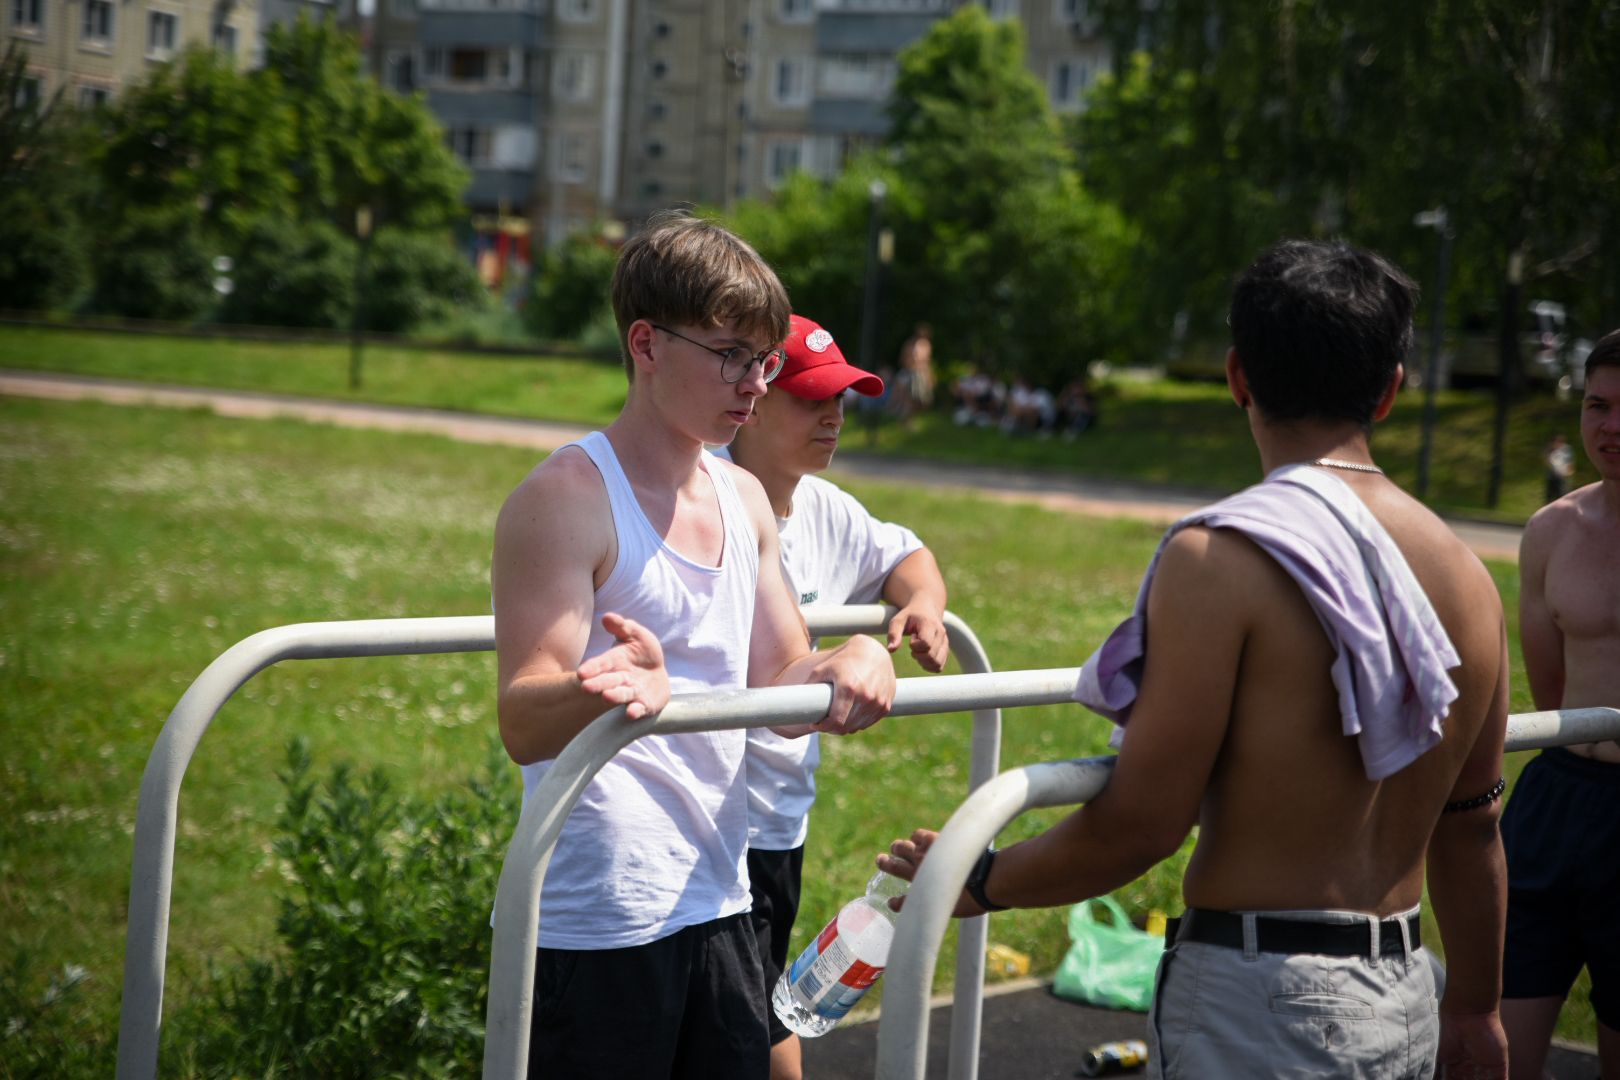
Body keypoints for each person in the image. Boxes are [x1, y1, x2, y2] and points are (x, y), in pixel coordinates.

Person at [878, 240, 1511, 1080]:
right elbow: (1474, 827)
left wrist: (982, 879)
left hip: (1265, 999)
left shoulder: (1220, 561)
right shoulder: (1468, 578)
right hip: (1406, 987)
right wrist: (1475, 1007)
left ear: (1236, 375)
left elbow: (1143, 823)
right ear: (1392, 390)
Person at [490, 211, 897, 1078]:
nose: (754, 383)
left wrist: (849, 659)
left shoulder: (745, 495)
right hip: (597, 917)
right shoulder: (565, 496)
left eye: (765, 359)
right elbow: (525, 720)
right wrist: (605, 690)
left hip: (718, 894)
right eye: (729, 354)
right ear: (645, 343)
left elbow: (783, 681)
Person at [717, 313, 951, 1080]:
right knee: (752, 1035)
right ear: (750, 399)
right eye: (810, 397)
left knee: (757, 1018)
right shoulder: (703, 498)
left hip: (780, 826)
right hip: (712, 826)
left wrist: (922, 603)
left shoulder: (823, 507)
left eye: (844, 397)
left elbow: (908, 553)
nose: (835, 415)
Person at [1502, 328, 1620, 1080]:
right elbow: (1550, 695)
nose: (1611, 428)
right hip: (1557, 798)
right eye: (1597, 406)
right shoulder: (1553, 530)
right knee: (1495, 1049)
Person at [1542, 433, 1576, 504]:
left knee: (1562, 495)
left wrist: (1569, 472)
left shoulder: (1567, 449)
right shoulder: (1549, 449)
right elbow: (1546, 461)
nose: (1557, 444)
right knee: (1550, 497)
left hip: (1563, 476)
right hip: (1552, 476)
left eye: (1560, 442)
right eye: (1555, 442)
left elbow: (1570, 462)